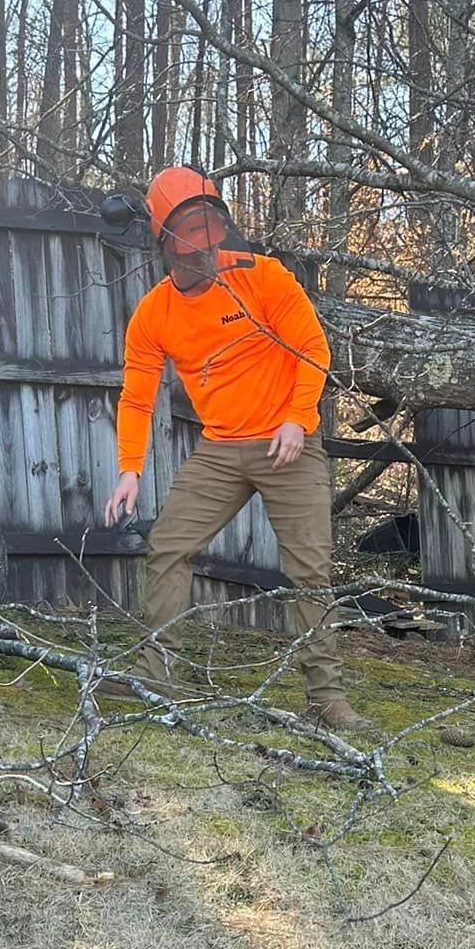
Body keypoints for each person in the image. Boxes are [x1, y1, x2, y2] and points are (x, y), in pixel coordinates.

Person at [103, 166, 367, 731]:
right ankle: (155, 677)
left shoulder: (263, 278)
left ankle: (325, 699)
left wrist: (299, 420)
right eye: (188, 242)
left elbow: (312, 347)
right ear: (165, 242)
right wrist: (129, 470)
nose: (202, 252)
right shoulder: (154, 313)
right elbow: (136, 397)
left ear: (220, 230)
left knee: (310, 572)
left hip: (287, 443)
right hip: (221, 449)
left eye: (209, 236)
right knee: (168, 546)